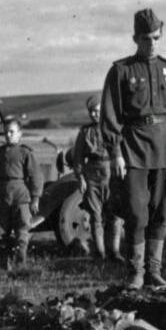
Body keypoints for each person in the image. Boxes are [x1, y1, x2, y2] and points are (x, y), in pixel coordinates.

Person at [100, 8, 166, 288]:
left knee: (161, 210)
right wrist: (115, 153)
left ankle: (154, 270)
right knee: (136, 212)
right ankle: (136, 273)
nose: (152, 44)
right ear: (135, 39)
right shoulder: (121, 71)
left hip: (165, 147)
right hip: (133, 148)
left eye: (156, 38)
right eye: (146, 39)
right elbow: (110, 115)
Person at [68, 95, 123, 260]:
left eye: (98, 111)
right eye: (92, 111)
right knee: (95, 215)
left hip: (112, 174)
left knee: (115, 215)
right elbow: (78, 158)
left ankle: (115, 251)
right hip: (92, 175)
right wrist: (81, 178)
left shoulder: (115, 128)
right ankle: (100, 253)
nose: (95, 114)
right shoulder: (85, 132)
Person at [0, 116, 42, 270]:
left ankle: (21, 263)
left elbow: (35, 176)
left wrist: (35, 198)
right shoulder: (0, 153)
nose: (8, 135)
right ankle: (4, 263)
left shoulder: (25, 153)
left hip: (20, 195)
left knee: (22, 230)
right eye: (6, 132)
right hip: (3, 196)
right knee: (0, 232)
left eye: (12, 132)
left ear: (20, 134)